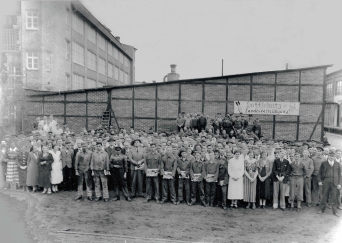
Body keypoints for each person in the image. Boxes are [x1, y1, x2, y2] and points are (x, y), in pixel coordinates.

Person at [317, 151, 341, 217]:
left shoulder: (337, 164)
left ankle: (335, 211)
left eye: (333, 156)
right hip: (326, 182)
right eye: (330, 156)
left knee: (334, 197)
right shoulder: (323, 163)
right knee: (324, 196)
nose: (331, 157)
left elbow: (339, 175)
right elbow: (319, 173)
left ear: (334, 157)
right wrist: (319, 181)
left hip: (334, 182)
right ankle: (321, 210)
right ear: (328, 156)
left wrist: (339, 184)